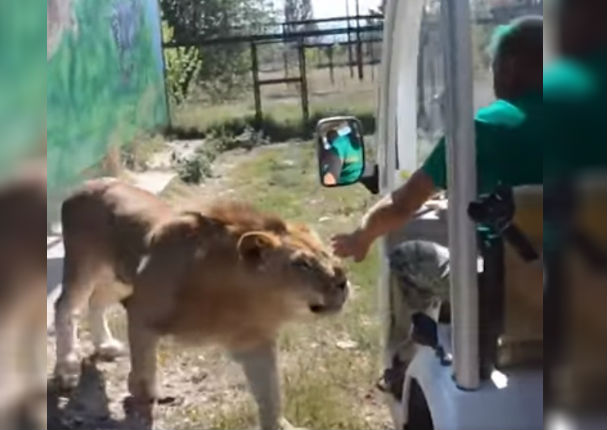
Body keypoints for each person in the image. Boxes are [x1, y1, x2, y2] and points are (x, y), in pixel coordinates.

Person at [331, 16, 544, 380]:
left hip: (514, 297)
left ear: (508, 67)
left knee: (405, 256)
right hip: (589, 295)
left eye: (493, 68)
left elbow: (401, 206)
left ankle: (400, 368)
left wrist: (362, 236)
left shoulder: (483, 129)